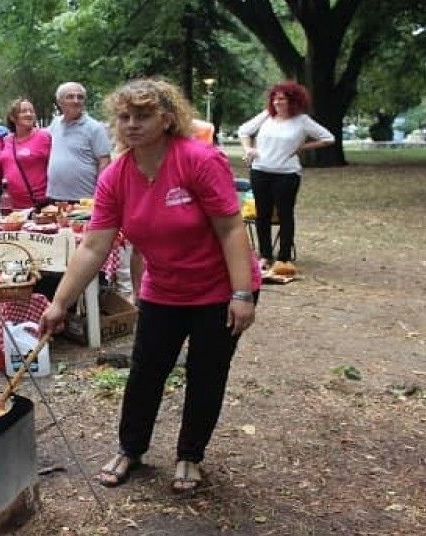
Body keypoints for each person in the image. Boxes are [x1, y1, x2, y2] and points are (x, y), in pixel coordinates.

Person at [38, 79, 260, 493]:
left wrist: (242, 294)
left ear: (167, 118)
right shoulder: (116, 176)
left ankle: (190, 456)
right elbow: (93, 246)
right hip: (164, 288)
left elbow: (231, 229)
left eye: (143, 116)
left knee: (206, 373)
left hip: (219, 288)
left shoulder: (197, 159)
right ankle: (130, 449)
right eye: (124, 117)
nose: (132, 124)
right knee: (145, 372)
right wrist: (59, 304)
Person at [237, 81, 334, 272]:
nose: (277, 102)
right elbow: (244, 130)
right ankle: (265, 255)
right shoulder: (266, 117)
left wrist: (302, 147)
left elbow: (329, 138)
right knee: (262, 214)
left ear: (293, 101)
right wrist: (248, 148)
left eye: (282, 99)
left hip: (286, 174)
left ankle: (284, 257)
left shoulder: (302, 121)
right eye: (274, 98)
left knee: (285, 214)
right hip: (260, 171)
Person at [46, 82, 112, 203]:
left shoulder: (95, 128)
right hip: (54, 196)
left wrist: (100, 193)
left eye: (80, 97)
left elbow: (105, 162)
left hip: (84, 199)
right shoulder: (55, 124)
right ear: (60, 102)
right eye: (70, 97)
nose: (76, 101)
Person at [0, 98, 51, 210]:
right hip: (13, 207)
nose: (29, 114)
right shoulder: (7, 140)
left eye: (31, 111)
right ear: (12, 117)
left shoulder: (43, 136)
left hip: (40, 205)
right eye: (23, 111)